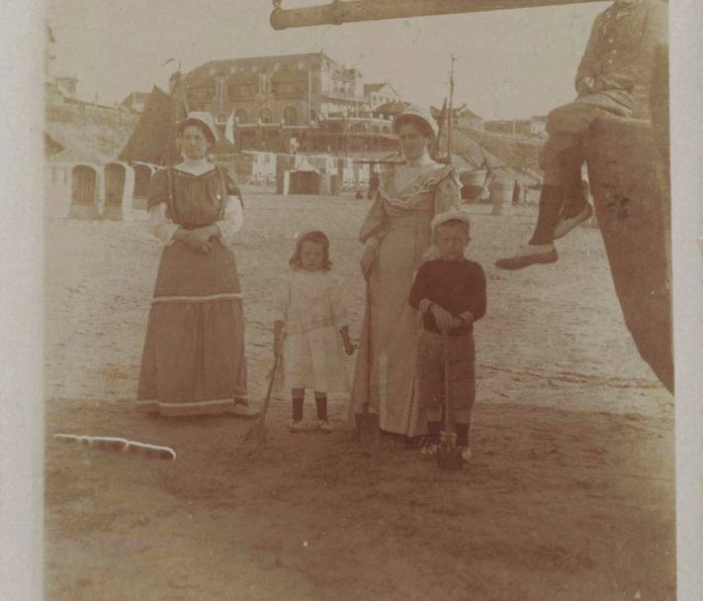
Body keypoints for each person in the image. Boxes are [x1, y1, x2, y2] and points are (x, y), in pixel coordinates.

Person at [496, 0, 669, 270]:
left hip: (634, 100)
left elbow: (650, 63)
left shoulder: (657, 12)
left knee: (559, 119)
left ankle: (570, 209)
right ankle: (543, 239)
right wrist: (586, 79)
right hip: (599, 98)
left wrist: (603, 83)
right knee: (559, 144)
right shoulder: (603, 18)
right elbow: (583, 67)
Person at [348, 106, 461, 438]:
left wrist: (429, 262)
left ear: (429, 137)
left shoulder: (442, 175)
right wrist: (370, 248)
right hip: (385, 267)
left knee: (413, 338)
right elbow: (379, 223)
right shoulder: (391, 177)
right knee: (383, 336)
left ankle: (411, 423)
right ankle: (379, 416)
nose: (408, 143)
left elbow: (448, 227)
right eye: (403, 137)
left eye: (414, 136)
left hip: (422, 265)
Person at [136, 112, 255, 417]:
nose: (192, 143)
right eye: (186, 137)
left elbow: (235, 216)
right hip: (179, 257)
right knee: (176, 327)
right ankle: (173, 400)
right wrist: (187, 236)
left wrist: (208, 231)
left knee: (222, 326)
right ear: (179, 142)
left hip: (216, 255)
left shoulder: (222, 175)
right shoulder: (165, 177)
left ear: (209, 142)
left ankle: (227, 398)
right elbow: (156, 221)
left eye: (198, 138)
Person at [409, 210, 487, 462]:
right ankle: (433, 438)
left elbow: (479, 306)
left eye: (458, 239)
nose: (452, 245)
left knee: (462, 390)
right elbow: (414, 297)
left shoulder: (474, 270)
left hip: (462, 340)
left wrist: (459, 319)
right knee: (431, 387)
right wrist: (433, 308)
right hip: (432, 339)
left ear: (467, 241)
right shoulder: (429, 269)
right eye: (446, 240)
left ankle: (463, 441)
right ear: (436, 242)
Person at [273, 231, 356, 433]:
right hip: (297, 335)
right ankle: (297, 417)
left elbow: (340, 312)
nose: (311, 258)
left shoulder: (330, 281)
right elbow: (279, 310)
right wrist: (276, 338)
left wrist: (346, 341)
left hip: (322, 336)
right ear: (298, 254)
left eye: (317, 254)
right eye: (307, 253)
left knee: (321, 376)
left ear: (324, 256)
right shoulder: (289, 280)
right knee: (298, 376)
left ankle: (323, 417)